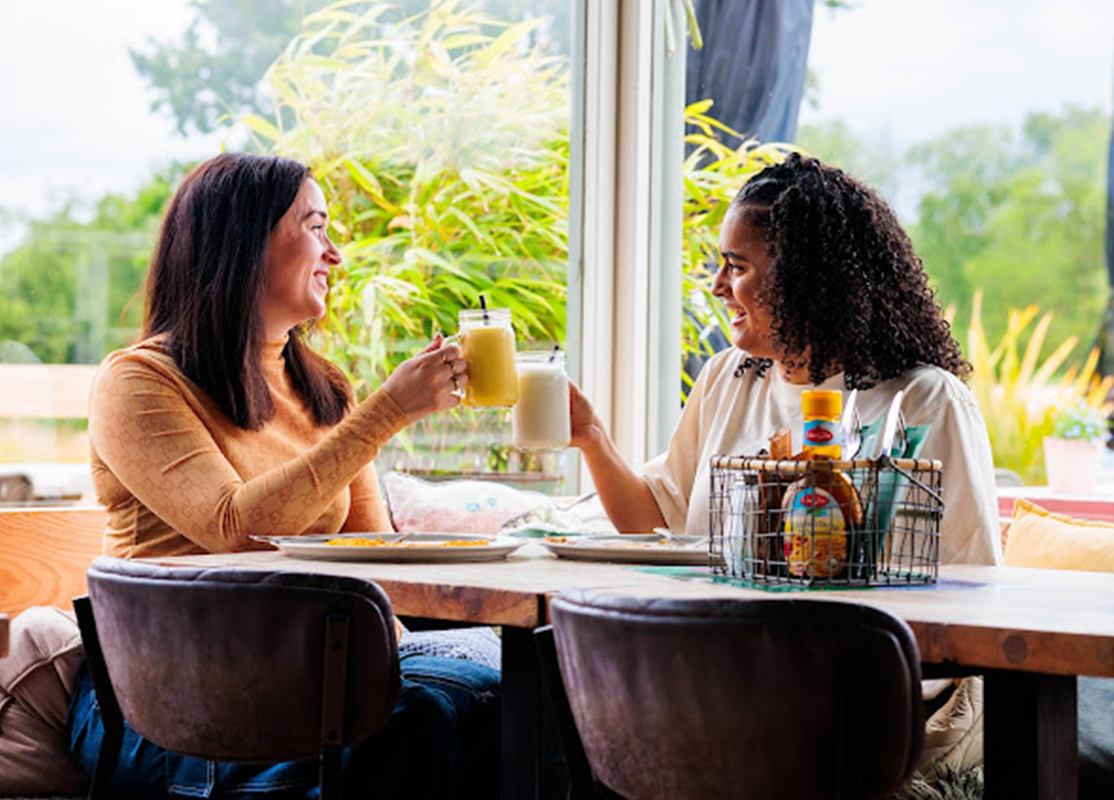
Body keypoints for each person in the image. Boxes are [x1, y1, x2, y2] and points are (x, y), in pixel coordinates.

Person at [70, 152, 499, 798]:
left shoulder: (323, 389)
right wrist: (387, 412)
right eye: (316, 227)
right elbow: (235, 529)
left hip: (303, 682)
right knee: (425, 717)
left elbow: (373, 562)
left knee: (517, 697)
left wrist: (429, 650)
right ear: (243, 243)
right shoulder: (138, 382)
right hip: (166, 706)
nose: (336, 255)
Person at [569, 152, 1002, 567]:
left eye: (737, 267)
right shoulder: (728, 377)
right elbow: (657, 523)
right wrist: (592, 437)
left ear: (802, 281)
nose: (717, 286)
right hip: (712, 620)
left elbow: (967, 576)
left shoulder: (926, 402)